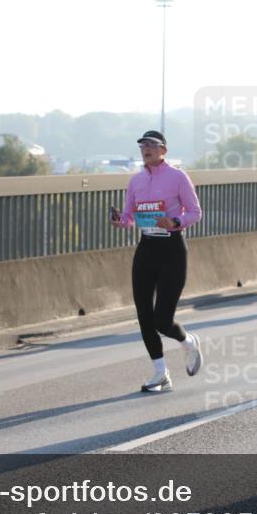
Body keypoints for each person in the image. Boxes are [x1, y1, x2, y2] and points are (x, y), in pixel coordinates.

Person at [111, 130, 203, 392]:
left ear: (163, 150)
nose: (146, 149)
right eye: (143, 146)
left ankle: (188, 342)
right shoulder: (135, 181)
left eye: (152, 145)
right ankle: (160, 373)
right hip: (146, 249)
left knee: (162, 319)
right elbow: (129, 216)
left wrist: (175, 221)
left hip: (172, 250)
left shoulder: (178, 177)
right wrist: (121, 221)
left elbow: (195, 212)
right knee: (143, 315)